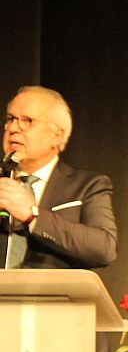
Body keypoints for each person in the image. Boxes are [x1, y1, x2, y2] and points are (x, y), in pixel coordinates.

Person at [1, 85, 117, 273]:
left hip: (52, 291)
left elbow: (103, 249)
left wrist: (33, 216)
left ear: (56, 136)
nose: (13, 128)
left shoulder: (87, 186)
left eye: (27, 121)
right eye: (11, 119)